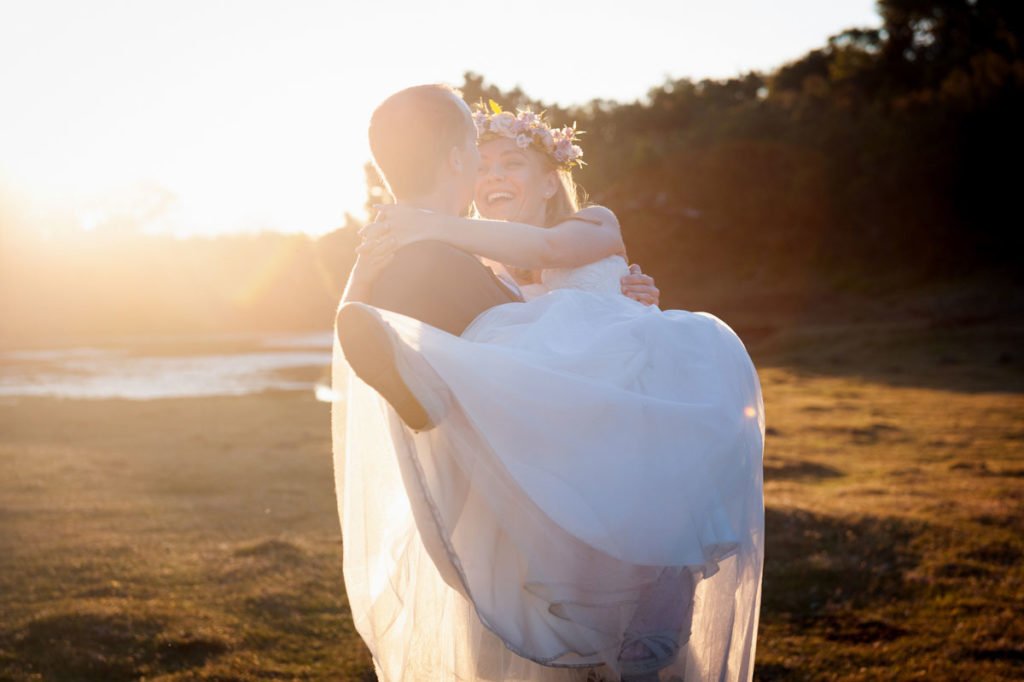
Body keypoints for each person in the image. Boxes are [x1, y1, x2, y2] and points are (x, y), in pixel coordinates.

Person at [333, 85, 764, 682]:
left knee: (656, 496)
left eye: (513, 163)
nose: (494, 175)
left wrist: (423, 221)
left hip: (619, 379)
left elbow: (549, 248)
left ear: (548, 180)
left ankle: (661, 601)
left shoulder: (591, 221)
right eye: (483, 165)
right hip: (560, 407)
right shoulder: (482, 269)